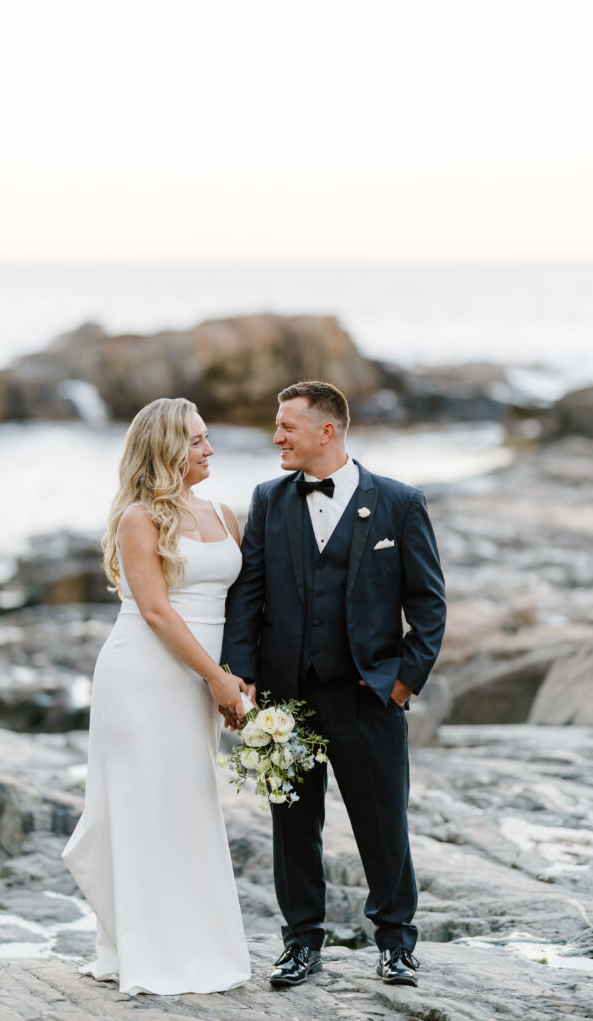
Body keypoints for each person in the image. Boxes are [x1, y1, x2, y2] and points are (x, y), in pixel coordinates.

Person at [222, 380, 446, 989]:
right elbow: (248, 595)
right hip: (286, 698)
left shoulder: (399, 503)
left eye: (286, 427)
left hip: (369, 695)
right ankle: (301, 943)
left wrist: (402, 684)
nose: (276, 438)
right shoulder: (269, 498)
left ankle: (397, 943)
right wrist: (240, 677)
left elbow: (428, 604)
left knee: (383, 824)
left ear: (327, 431)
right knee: (293, 825)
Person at [62, 397, 252, 996]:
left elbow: (243, 605)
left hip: (200, 680)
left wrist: (239, 674)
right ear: (168, 449)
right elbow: (156, 613)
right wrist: (216, 679)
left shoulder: (225, 512)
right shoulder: (139, 519)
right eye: (197, 441)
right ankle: (150, 952)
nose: (209, 449)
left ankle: (198, 943)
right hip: (145, 677)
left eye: (207, 437)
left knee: (190, 803)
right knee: (148, 807)